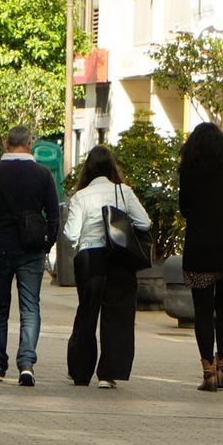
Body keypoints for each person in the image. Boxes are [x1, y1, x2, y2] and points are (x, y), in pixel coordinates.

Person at [0, 125, 59, 386]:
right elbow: (54, 217)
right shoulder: (43, 175)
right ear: (30, 144)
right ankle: (27, 364)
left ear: (7, 143)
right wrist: (45, 244)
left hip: (0, 248)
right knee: (30, 308)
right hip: (31, 249)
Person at [63, 146, 151, 389]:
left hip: (89, 258)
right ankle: (108, 374)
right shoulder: (123, 191)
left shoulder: (81, 196)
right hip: (119, 258)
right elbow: (144, 222)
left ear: (88, 169)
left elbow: (71, 234)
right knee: (118, 315)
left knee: (86, 313)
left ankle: (80, 373)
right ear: (112, 167)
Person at [178, 122, 223, 392]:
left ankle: (208, 373)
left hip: (200, 248)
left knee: (204, 312)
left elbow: (184, 208)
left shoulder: (189, 170)